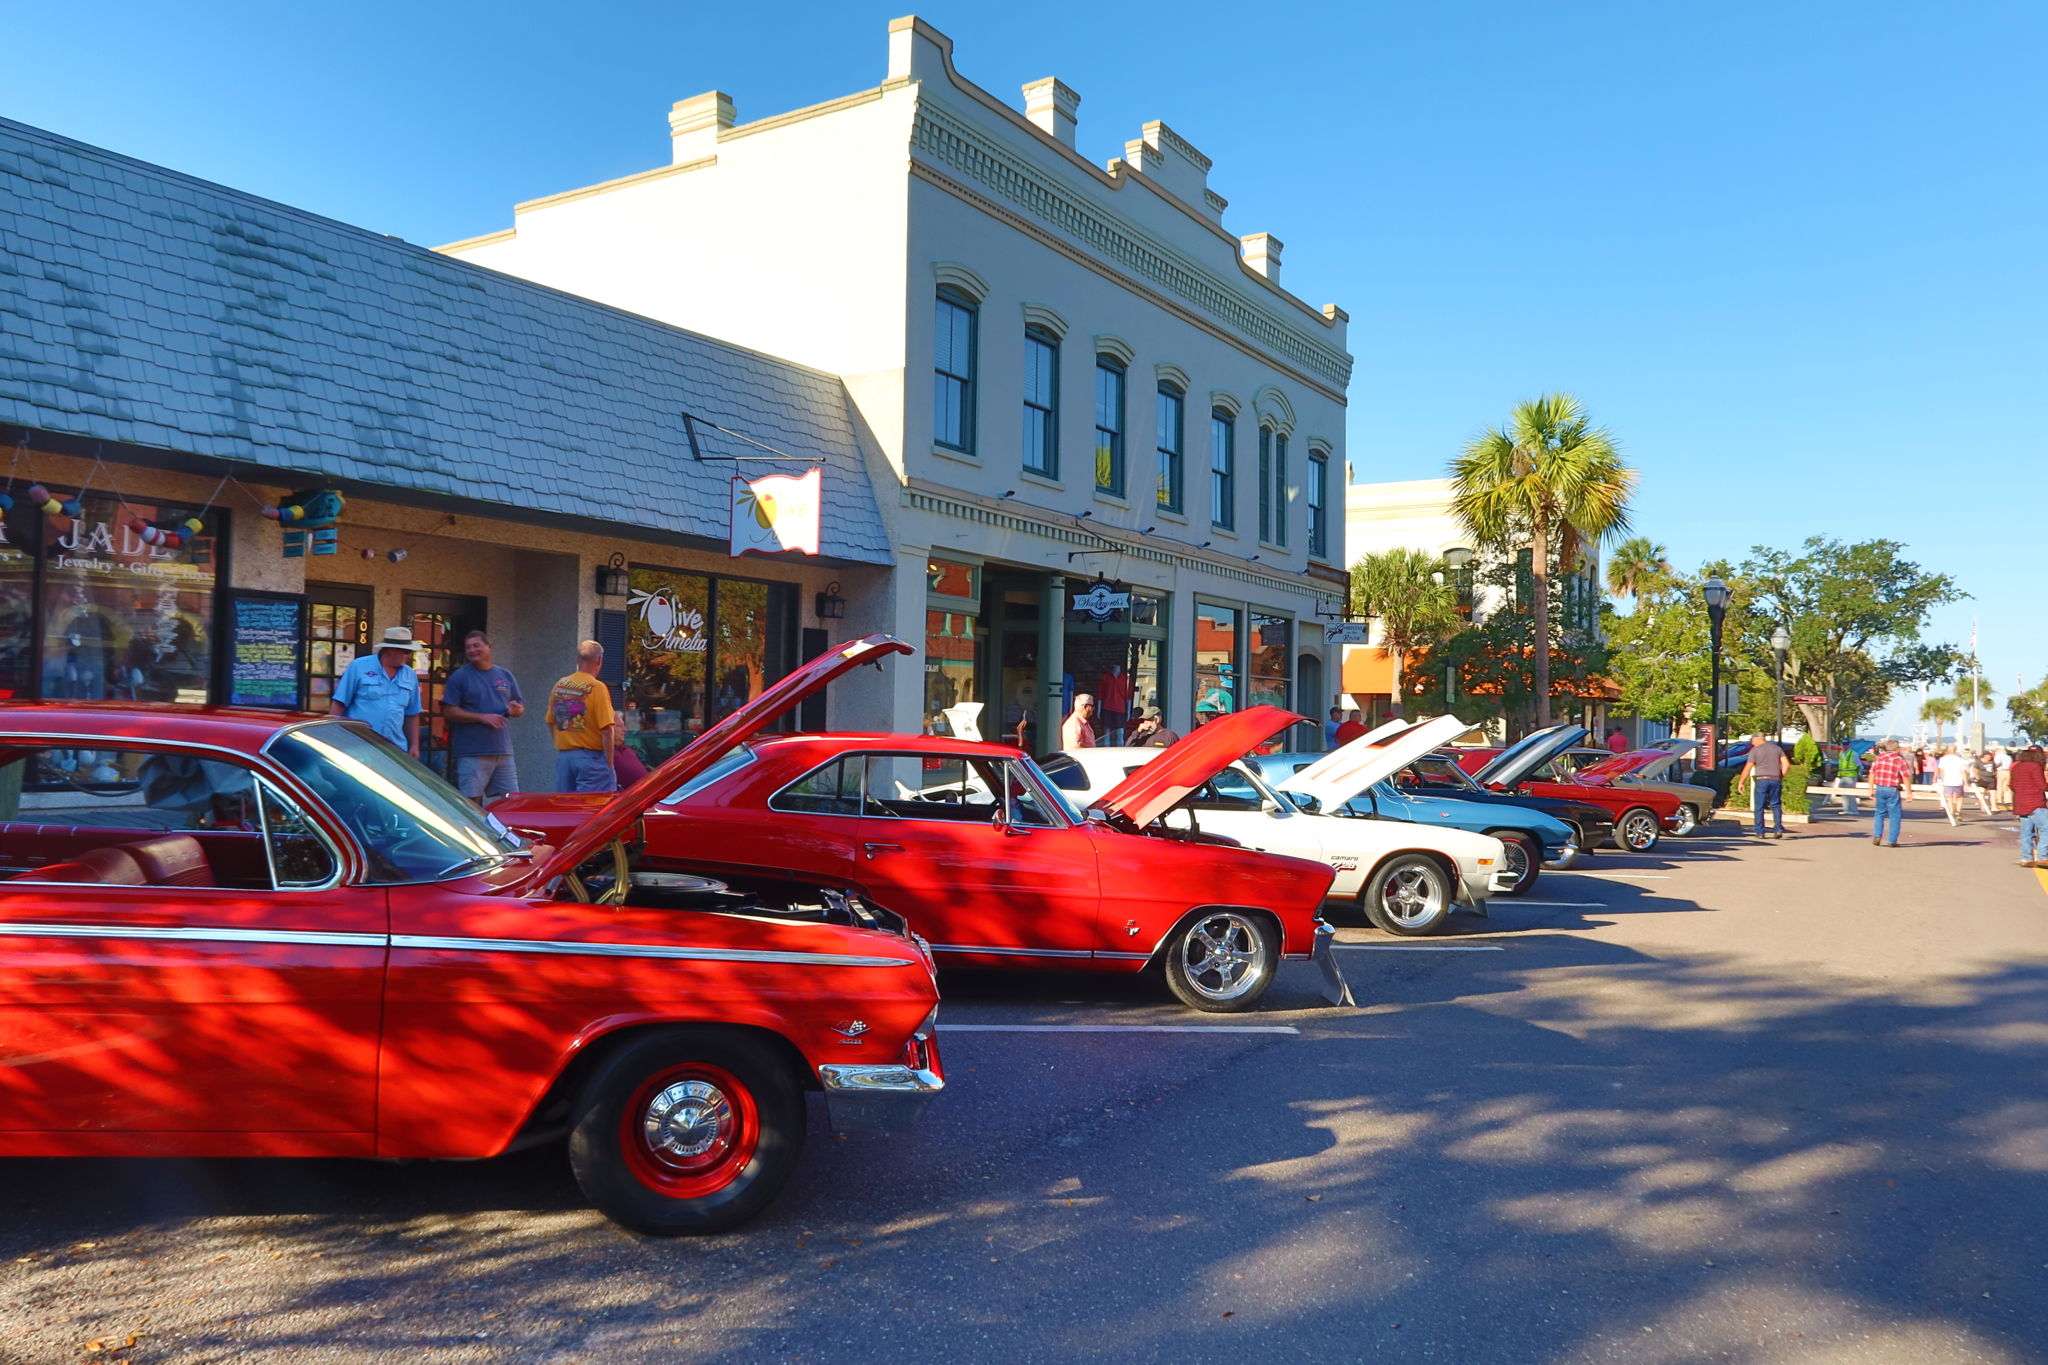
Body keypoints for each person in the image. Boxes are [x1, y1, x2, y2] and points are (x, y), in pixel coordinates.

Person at [440, 630, 525, 805]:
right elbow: (449, 711)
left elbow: (519, 707)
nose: (472, 650)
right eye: (468, 647)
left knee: (512, 801)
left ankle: (507, 832)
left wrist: (516, 710)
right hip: (472, 751)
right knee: (472, 804)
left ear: (489, 647)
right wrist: (482, 718)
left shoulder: (505, 675)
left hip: (502, 750)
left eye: (476, 645)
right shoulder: (460, 677)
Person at [330, 625, 424, 757]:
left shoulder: (410, 675)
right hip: (358, 745)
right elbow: (339, 703)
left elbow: (412, 713)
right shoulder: (359, 666)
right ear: (391, 649)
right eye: (406, 652)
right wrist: (332, 738)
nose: (408, 656)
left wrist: (414, 745)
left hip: (394, 748)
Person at [547, 640, 618, 793]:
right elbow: (606, 730)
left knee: (566, 809)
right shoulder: (597, 687)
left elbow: (550, 722)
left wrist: (564, 745)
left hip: (564, 758)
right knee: (594, 810)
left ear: (577, 659)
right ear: (599, 660)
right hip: (591, 759)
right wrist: (609, 764)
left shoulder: (559, 685)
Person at [1738, 732, 1788, 839]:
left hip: (1762, 780)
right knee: (1775, 804)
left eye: (1753, 741)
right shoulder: (1777, 749)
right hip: (1775, 779)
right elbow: (1786, 764)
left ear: (1757, 739)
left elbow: (1748, 767)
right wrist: (1781, 776)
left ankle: (1760, 832)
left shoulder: (1755, 751)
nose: (1752, 743)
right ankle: (1778, 828)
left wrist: (1741, 782)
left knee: (1759, 806)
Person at [1867, 738, 1914, 847]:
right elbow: (1906, 776)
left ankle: (1877, 835)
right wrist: (1909, 792)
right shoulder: (1898, 759)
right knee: (1895, 815)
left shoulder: (1878, 758)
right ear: (1897, 749)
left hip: (1880, 787)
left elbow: (1872, 773)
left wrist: (1870, 789)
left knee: (1879, 813)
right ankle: (1892, 840)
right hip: (1892, 788)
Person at [2013, 745, 2048, 866]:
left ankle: (2026, 858)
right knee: (2046, 829)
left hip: (2020, 804)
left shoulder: (2017, 767)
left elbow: (2012, 785)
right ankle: (2043, 857)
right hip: (2035, 803)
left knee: (2026, 833)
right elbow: (2042, 785)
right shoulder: (2035, 767)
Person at [1935, 746, 1968, 824]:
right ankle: (1958, 811)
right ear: (1955, 750)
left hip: (1947, 781)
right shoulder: (1960, 760)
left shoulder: (1943, 759)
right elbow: (1963, 771)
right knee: (1959, 797)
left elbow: (1941, 770)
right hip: (1958, 780)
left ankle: (1951, 812)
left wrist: (1943, 780)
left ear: (1947, 750)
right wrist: (1966, 782)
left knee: (1949, 798)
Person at [1969, 748, 1998, 817]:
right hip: (1982, 779)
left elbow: (1994, 769)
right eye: (1989, 756)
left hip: (1991, 779)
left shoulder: (1992, 762)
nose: (1990, 757)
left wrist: (1995, 774)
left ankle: (1994, 807)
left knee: (1993, 793)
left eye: (1991, 756)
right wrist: (1977, 778)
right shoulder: (1979, 762)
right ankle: (1982, 806)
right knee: (1982, 793)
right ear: (1985, 756)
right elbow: (1974, 770)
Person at [1993, 743, 2013, 810]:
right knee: (2007, 786)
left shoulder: (1998, 756)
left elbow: (1998, 764)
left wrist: (1993, 768)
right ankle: (2008, 800)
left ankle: (1999, 800)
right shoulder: (2009, 757)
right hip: (2008, 771)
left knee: (1999, 786)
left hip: (2001, 771)